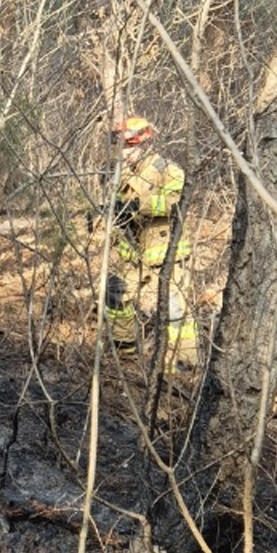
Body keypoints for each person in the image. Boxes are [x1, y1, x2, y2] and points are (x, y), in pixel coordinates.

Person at [101, 116, 198, 369]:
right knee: (115, 293)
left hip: (167, 252)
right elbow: (119, 210)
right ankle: (124, 351)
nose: (125, 153)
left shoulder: (168, 170)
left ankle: (184, 363)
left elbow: (176, 203)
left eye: (129, 147)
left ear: (145, 145)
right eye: (122, 147)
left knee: (175, 309)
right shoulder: (122, 175)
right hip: (132, 251)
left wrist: (136, 206)